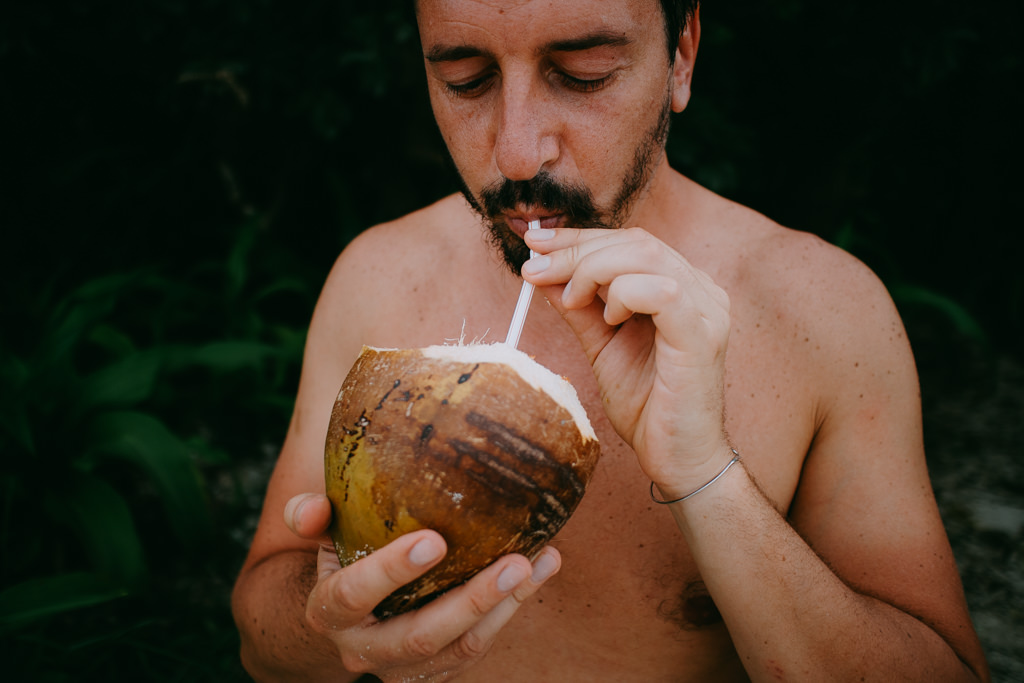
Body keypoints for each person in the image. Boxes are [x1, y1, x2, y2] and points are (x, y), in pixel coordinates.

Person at [231, 1, 991, 680]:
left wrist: (705, 474)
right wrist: (327, 625)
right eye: (466, 80)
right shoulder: (379, 276)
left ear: (682, 51)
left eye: (584, 74)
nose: (518, 154)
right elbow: (259, 636)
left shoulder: (823, 314)